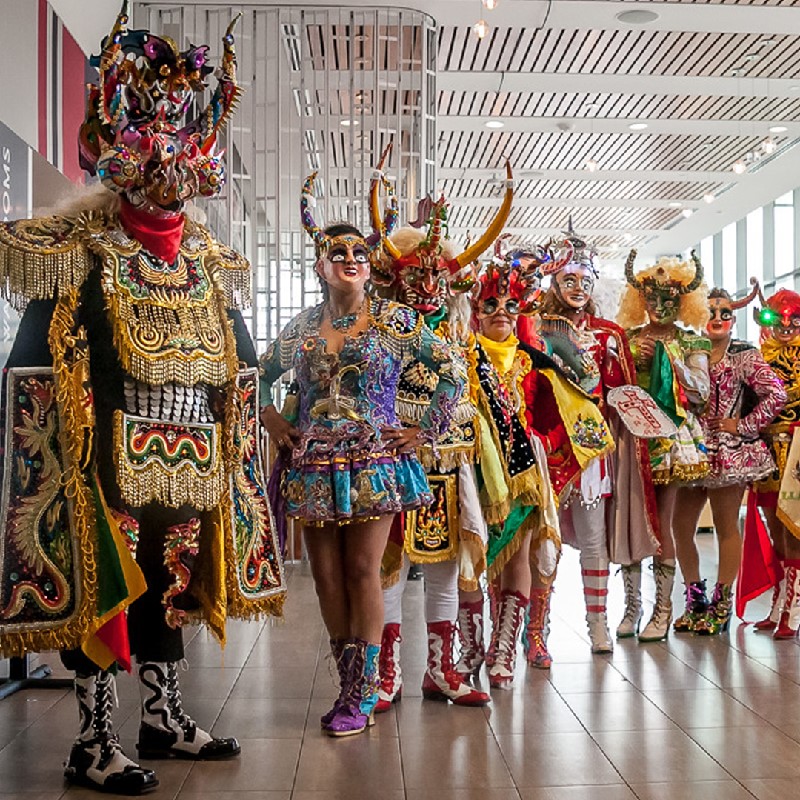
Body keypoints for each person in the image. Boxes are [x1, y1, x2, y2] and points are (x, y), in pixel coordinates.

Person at [0, 4, 286, 794]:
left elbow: (239, 355)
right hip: (100, 459)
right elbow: (33, 364)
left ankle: (162, 718)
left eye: (181, 167)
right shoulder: (76, 254)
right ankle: (92, 740)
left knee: (169, 584)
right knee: (104, 590)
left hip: (187, 456)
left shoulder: (211, 263)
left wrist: (235, 432)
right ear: (121, 162)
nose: (168, 185)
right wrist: (55, 455)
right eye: (152, 163)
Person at [259, 170, 463, 736]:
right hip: (314, 465)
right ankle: (347, 684)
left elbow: (453, 373)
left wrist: (423, 430)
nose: (350, 258)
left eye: (359, 252)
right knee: (325, 577)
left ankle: (365, 690)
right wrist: (276, 421)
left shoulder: (398, 323)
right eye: (337, 251)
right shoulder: (300, 328)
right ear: (320, 265)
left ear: (371, 265)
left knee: (362, 569)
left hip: (375, 463)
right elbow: (259, 379)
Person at [371, 178, 512, 710]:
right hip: (387, 460)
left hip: (448, 463)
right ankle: (387, 673)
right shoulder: (378, 329)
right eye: (416, 275)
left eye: (437, 276)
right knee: (388, 569)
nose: (427, 285)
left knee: (445, 568)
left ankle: (439, 667)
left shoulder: (462, 337)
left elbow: (470, 395)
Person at [467, 247, 613, 686]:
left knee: (528, 557)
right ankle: (474, 648)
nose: (501, 313)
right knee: (474, 560)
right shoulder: (463, 357)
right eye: (490, 304)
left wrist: (545, 443)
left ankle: (508, 646)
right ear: (475, 310)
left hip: (529, 473)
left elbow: (576, 410)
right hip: (474, 475)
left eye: (510, 305)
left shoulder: (534, 358)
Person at [537, 223, 660, 654]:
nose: (577, 288)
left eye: (584, 282)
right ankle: (538, 629)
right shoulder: (534, 325)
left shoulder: (610, 333)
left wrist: (606, 366)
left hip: (592, 449)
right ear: (555, 281)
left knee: (593, 539)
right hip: (547, 446)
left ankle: (597, 624)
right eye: (568, 279)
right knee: (543, 540)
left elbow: (622, 396)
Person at [672, 282, 785, 635]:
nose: (718, 318)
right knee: (680, 526)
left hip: (729, 453)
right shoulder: (687, 351)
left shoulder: (744, 355)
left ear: (734, 321)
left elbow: (775, 394)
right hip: (693, 450)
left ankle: (722, 605)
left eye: (725, 313)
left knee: (724, 528)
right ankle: (694, 599)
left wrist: (744, 425)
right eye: (711, 312)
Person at [616, 251, 710, 641]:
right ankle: (632, 607)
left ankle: (662, 609)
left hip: (672, 439)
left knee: (664, 524)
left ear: (684, 302)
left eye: (669, 299)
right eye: (651, 299)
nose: (659, 306)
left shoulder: (692, 341)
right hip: (632, 436)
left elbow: (701, 392)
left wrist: (670, 360)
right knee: (633, 521)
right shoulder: (629, 338)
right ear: (640, 301)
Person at [745, 289, 800, 638]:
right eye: (777, 319)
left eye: (793, 320)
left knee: (793, 527)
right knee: (774, 528)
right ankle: (779, 602)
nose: (785, 326)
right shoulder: (759, 356)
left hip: (797, 449)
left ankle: (793, 609)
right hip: (766, 451)